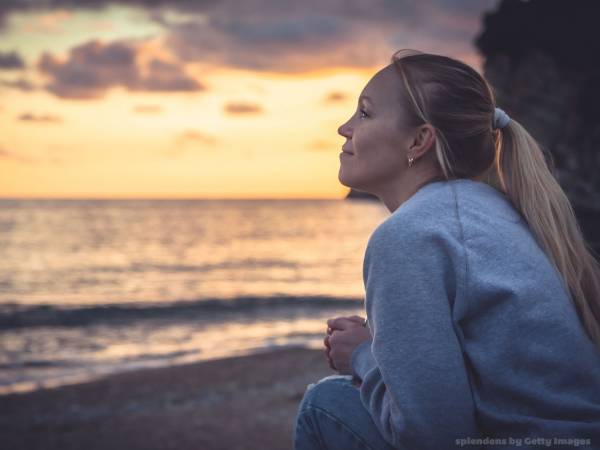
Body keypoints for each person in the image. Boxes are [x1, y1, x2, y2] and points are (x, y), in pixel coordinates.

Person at [292, 49, 600, 450]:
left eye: (365, 113)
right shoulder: (495, 212)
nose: (343, 128)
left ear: (420, 140)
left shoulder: (410, 236)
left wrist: (364, 358)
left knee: (325, 402)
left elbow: (433, 435)